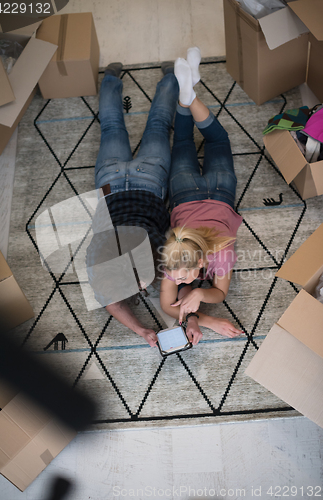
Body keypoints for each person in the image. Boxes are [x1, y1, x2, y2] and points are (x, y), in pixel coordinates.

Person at [86, 62, 179, 347]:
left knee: (160, 125)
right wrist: (140, 329)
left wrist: (141, 329)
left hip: (150, 181)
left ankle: (171, 76)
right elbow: (109, 298)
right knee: (112, 125)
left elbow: (110, 301)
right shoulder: (96, 258)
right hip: (111, 183)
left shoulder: (160, 254)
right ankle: (112, 77)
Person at [160, 49, 243, 346]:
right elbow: (216, 295)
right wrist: (197, 297)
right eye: (179, 277)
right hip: (184, 192)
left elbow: (216, 294)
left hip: (220, 190)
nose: (179, 281)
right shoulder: (177, 254)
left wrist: (197, 296)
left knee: (218, 140)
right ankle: (187, 93)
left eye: (182, 278)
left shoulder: (218, 255)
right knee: (182, 140)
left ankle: (189, 92)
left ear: (199, 268)